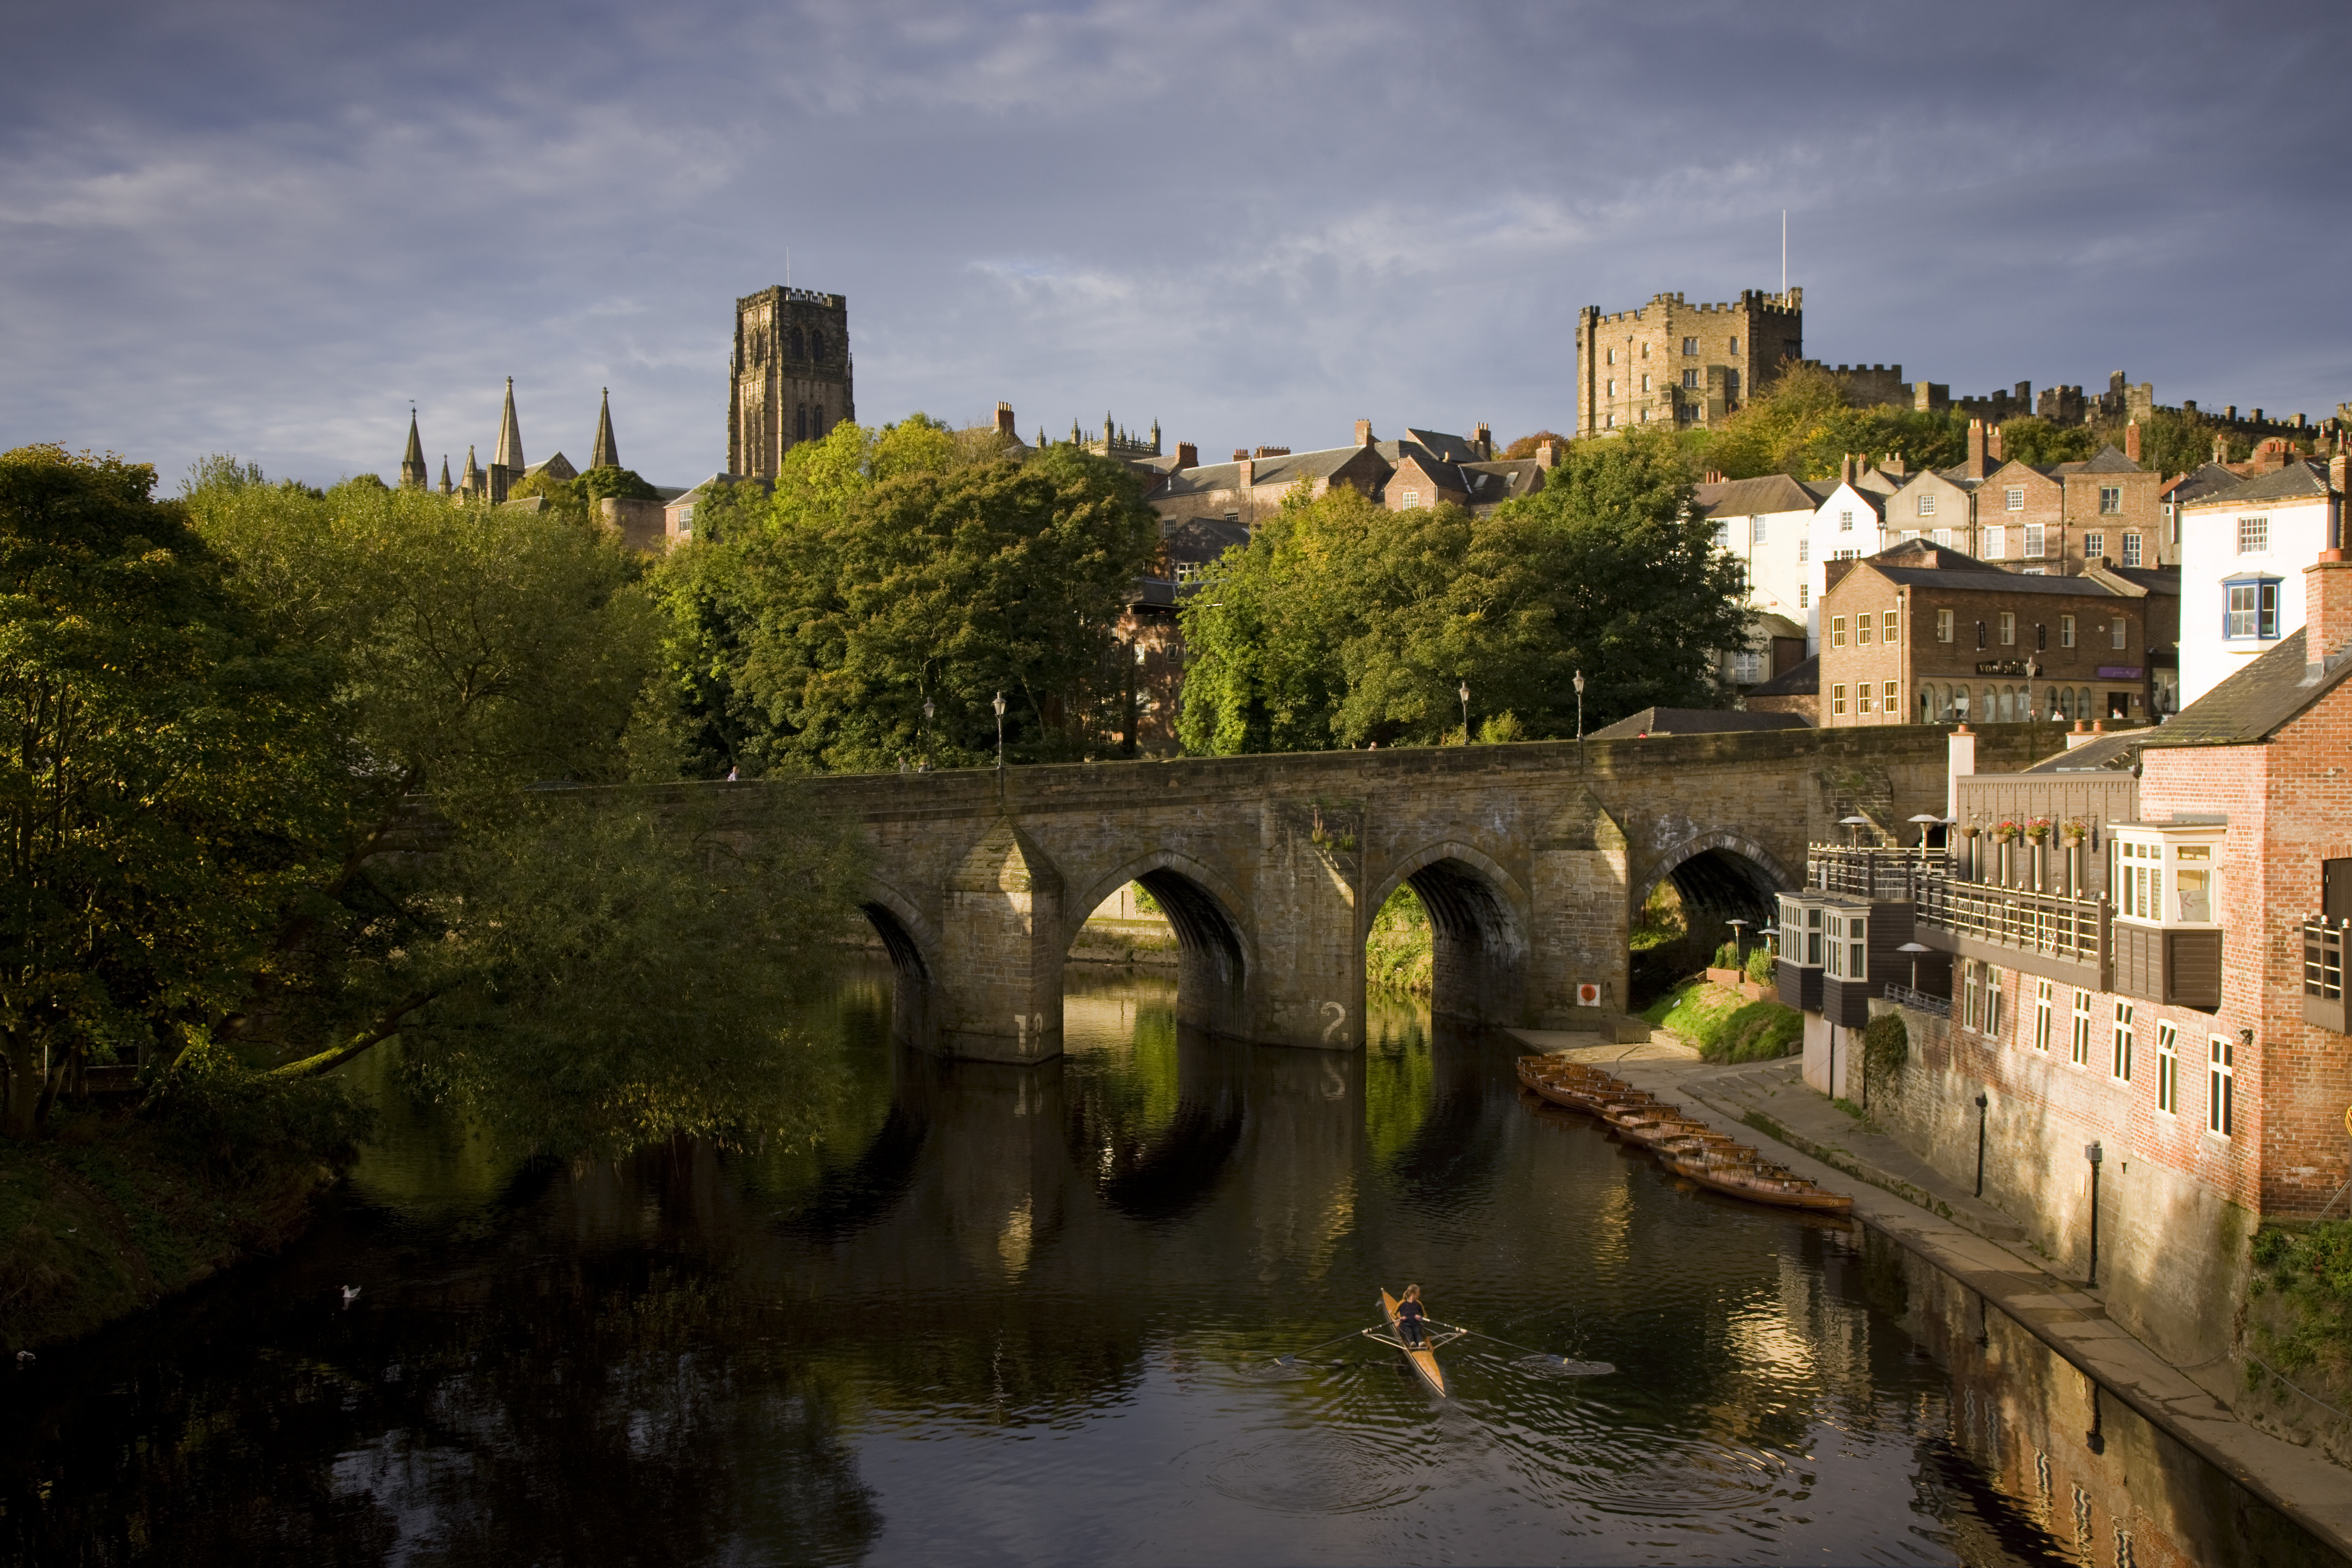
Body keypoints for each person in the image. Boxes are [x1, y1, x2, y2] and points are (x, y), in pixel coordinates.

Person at [1396, 1284, 1429, 1349]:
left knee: (1417, 1331)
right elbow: (1392, 1314)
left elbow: (1425, 1315)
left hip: (1415, 1325)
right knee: (1409, 1332)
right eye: (1418, 1293)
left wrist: (1421, 1318)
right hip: (1404, 1325)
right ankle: (1411, 1344)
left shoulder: (1419, 1304)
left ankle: (1420, 1343)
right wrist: (1399, 1319)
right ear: (1413, 1294)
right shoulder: (1402, 1303)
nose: (1419, 1294)